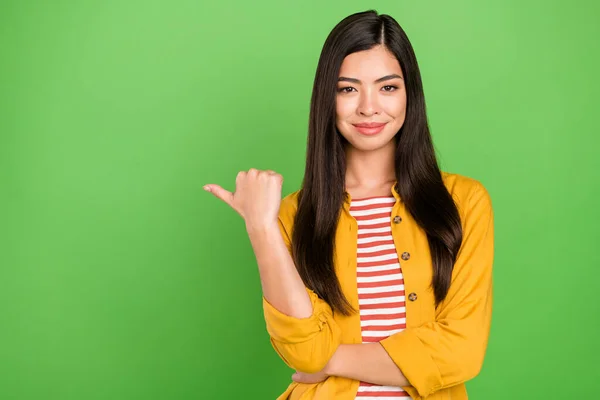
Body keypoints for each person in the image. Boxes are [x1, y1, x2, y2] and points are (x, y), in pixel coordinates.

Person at [203, 9, 494, 400]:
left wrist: (330, 361)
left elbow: (461, 351)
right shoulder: (292, 215)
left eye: (388, 87)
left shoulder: (463, 203)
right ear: (328, 98)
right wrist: (261, 227)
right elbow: (304, 350)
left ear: (411, 94)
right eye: (348, 89)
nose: (369, 108)